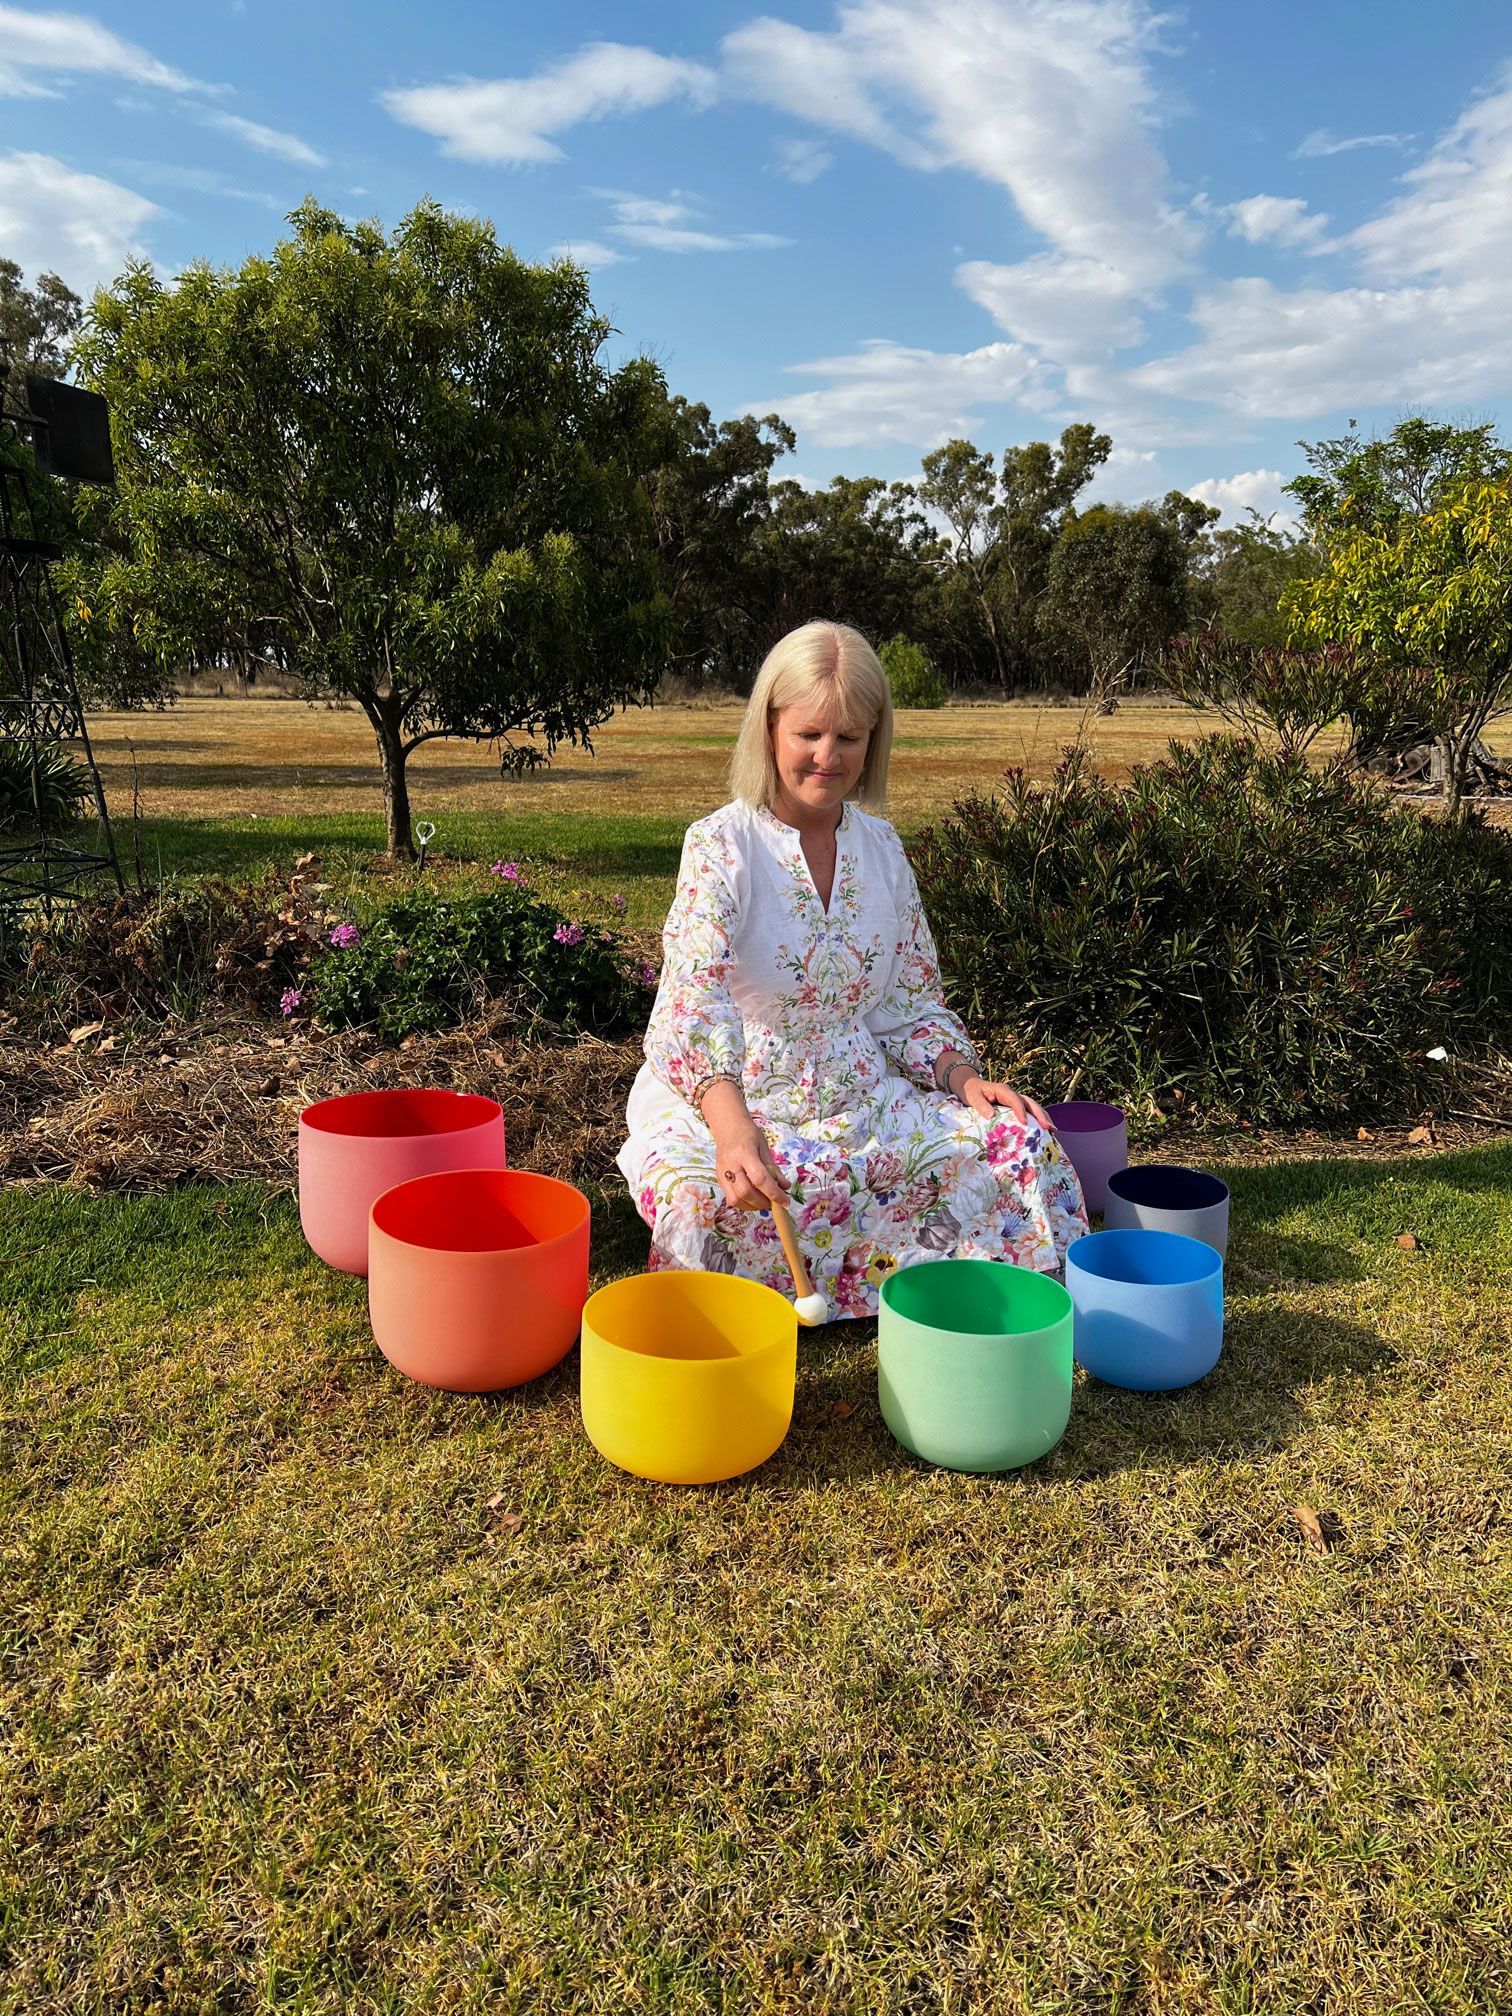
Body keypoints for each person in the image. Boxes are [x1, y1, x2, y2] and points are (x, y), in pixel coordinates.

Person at [616, 620, 1087, 1319]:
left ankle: (931, 1289)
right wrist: (732, 1130)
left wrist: (964, 1079)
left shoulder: (884, 849)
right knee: (697, 1200)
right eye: (808, 733)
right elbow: (693, 1002)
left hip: (864, 1102)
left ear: (874, 741)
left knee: (1020, 1142)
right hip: (736, 1103)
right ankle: (755, 1310)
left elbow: (911, 1001)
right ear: (769, 728)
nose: (827, 756)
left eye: (848, 737)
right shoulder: (720, 845)